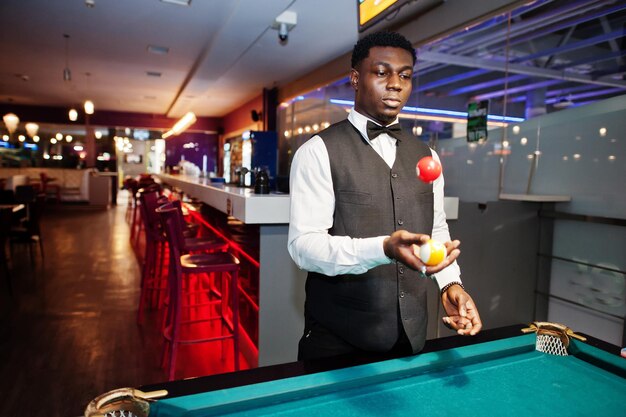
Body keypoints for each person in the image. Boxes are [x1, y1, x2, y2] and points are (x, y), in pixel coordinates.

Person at [288, 31, 482, 361]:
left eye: (405, 75)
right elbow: (304, 247)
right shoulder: (318, 151)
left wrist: (451, 285)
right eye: (381, 72)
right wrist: (383, 248)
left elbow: (436, 232)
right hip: (338, 344)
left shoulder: (428, 157)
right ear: (355, 78)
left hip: (411, 338)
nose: (395, 83)